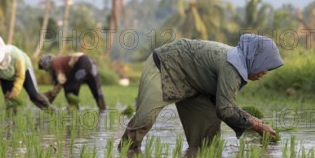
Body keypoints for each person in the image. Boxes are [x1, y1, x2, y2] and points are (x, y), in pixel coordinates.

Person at [118, 34, 284, 150]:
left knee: (206, 141)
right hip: (165, 66)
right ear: (255, 59)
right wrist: (256, 125)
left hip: (195, 85)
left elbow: (226, 106)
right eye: (264, 66)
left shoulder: (237, 64)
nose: (264, 73)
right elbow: (225, 110)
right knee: (144, 120)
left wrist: (254, 121)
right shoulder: (232, 66)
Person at [0, 36, 51, 112]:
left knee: (33, 95)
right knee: (10, 101)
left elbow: (20, 76)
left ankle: (51, 110)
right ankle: (11, 121)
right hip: (6, 77)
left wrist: (15, 91)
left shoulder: (16, 56)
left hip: (24, 70)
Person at [38, 52, 107, 112]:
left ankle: (74, 110)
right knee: (98, 92)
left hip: (81, 63)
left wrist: (51, 96)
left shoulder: (55, 63)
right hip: (91, 63)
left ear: (46, 63)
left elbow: (62, 81)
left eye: (43, 67)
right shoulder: (61, 59)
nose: (46, 70)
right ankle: (103, 110)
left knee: (69, 90)